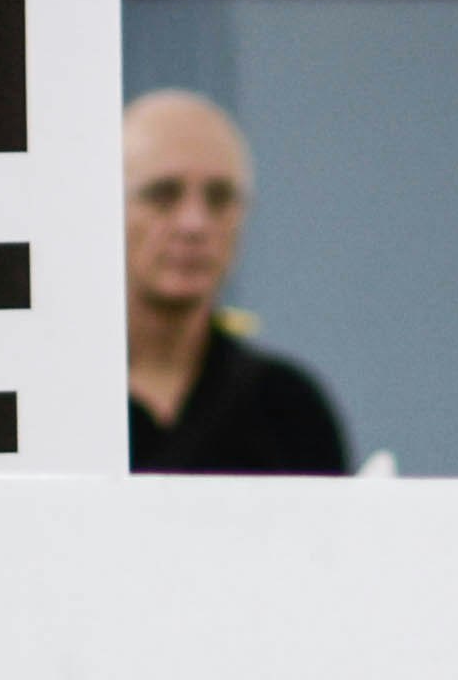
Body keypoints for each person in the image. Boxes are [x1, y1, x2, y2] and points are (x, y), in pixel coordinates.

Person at [119, 92, 346, 474]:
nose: (194, 223)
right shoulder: (56, 401)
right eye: (163, 194)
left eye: (220, 198)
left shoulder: (289, 409)